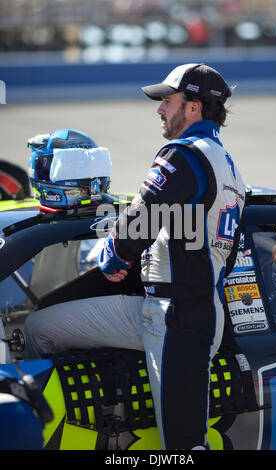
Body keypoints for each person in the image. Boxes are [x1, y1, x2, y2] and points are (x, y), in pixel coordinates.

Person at [24, 64, 245, 450]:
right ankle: (45, 428)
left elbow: (140, 217)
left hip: (180, 318)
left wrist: (113, 257)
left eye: (167, 101)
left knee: (183, 447)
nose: (160, 110)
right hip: (162, 308)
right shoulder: (230, 168)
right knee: (40, 326)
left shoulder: (185, 155)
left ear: (193, 107)